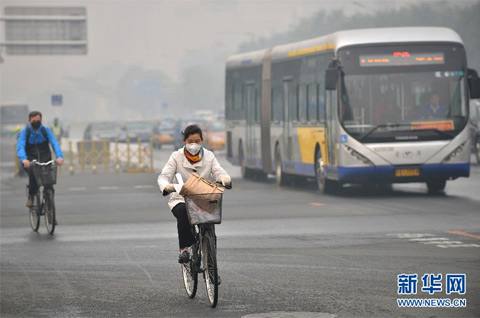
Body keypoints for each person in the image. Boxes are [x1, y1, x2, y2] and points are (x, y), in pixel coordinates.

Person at [157, 124, 231, 263]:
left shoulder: (209, 156)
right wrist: (167, 186)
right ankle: (185, 249)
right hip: (181, 198)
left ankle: (211, 265)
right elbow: (164, 176)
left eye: (197, 141)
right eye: (190, 141)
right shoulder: (176, 157)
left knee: (209, 225)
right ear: (184, 141)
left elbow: (219, 171)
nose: (194, 145)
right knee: (183, 213)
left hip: (204, 197)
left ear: (202, 141)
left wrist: (224, 179)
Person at [16, 111, 64, 208]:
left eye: (38, 120)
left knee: (49, 182)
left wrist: (59, 156)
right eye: (34, 120)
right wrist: (24, 159)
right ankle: (31, 195)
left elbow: (54, 143)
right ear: (29, 120)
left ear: (41, 120)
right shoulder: (25, 132)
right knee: (33, 175)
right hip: (30, 159)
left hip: (45, 158)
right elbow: (20, 146)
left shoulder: (45, 130)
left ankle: (50, 208)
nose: (36, 122)